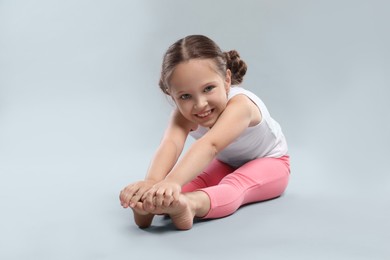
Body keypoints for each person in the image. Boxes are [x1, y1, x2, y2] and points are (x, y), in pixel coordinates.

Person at [119, 35, 290, 230]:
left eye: (208, 88)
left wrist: (172, 180)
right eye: (185, 96)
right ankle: (146, 207)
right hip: (227, 163)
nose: (200, 105)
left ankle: (192, 205)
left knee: (235, 185)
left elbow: (211, 145)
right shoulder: (182, 116)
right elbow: (170, 145)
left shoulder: (241, 106)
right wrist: (152, 184)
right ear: (172, 95)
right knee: (178, 189)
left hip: (271, 162)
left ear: (226, 80)